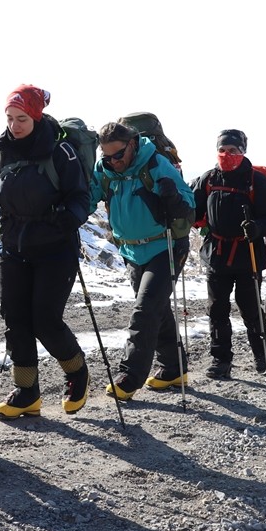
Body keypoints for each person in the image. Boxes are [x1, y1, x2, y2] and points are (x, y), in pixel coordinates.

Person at [0, 86, 92, 418]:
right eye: (9, 118)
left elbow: (81, 198)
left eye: (22, 118)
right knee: (15, 319)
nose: (14, 125)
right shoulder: (2, 150)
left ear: (36, 116)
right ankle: (26, 392)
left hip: (55, 249)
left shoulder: (60, 151)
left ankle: (77, 373)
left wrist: (66, 221)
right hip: (13, 246)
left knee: (46, 322)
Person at [90, 121, 195, 398]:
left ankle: (130, 376)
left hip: (167, 247)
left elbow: (190, 207)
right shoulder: (105, 171)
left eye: (118, 154)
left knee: (145, 310)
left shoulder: (156, 163)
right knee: (156, 309)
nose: (114, 161)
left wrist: (172, 196)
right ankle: (174, 368)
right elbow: (89, 196)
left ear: (133, 144)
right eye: (107, 156)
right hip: (132, 251)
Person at [189, 129, 266, 379]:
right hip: (217, 254)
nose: (227, 155)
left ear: (243, 151)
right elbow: (194, 212)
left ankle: (261, 355)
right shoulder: (208, 179)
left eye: (233, 150)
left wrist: (258, 228)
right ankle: (221, 361)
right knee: (217, 309)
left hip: (247, 253)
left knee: (250, 308)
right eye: (222, 150)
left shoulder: (256, 181)